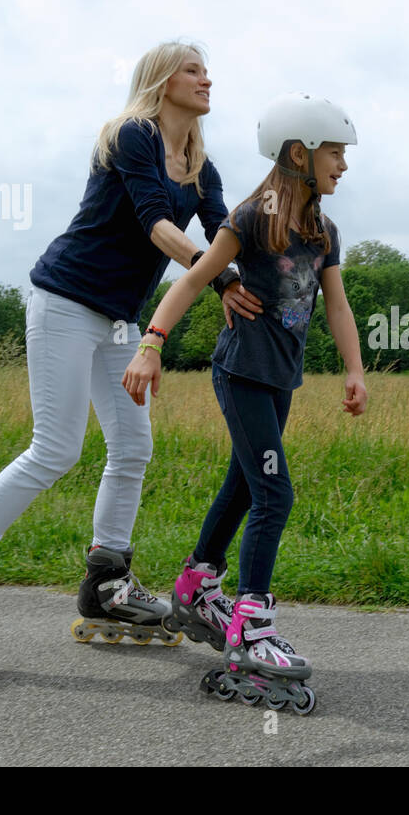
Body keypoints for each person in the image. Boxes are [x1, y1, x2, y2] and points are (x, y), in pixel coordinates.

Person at [0, 41, 264, 666]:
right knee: (56, 446)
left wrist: (265, 269)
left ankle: (105, 581)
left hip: (121, 319)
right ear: (161, 79)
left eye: (207, 70)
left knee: (133, 447)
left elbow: (223, 231)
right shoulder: (132, 135)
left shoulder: (203, 167)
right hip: (68, 299)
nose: (207, 78)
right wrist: (221, 281)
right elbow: (158, 225)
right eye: (192, 69)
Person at [124, 92, 367, 709]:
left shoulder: (324, 230)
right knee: (274, 491)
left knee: (243, 484)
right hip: (240, 375)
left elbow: (335, 305)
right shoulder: (252, 217)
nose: (343, 165)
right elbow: (195, 277)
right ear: (298, 153)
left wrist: (354, 370)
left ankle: (197, 581)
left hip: (281, 380)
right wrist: (152, 343)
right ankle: (252, 625)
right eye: (334, 153)